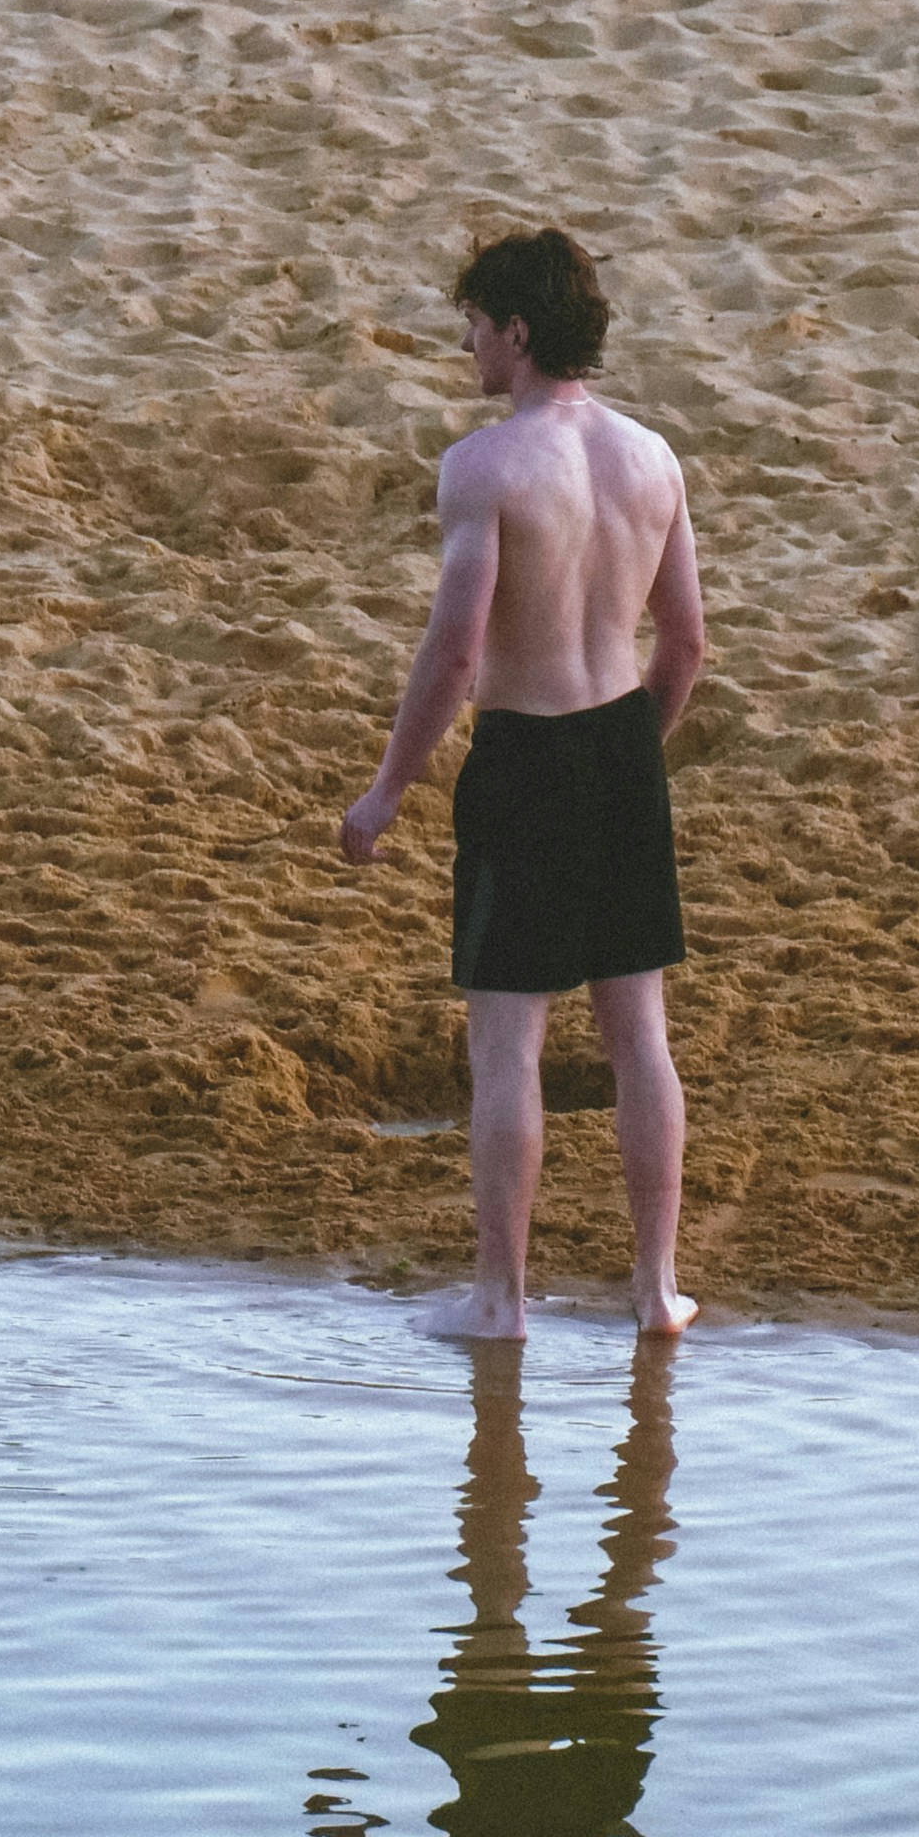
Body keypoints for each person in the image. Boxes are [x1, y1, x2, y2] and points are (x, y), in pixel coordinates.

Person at [339, 229, 706, 1340]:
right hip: (620, 753)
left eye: (476, 323)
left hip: (527, 758)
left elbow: (453, 655)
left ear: (519, 330)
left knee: (507, 1042)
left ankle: (499, 1300)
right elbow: (683, 645)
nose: (464, 344)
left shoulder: (485, 468)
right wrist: (629, 751)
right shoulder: (652, 458)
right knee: (638, 1032)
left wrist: (387, 789)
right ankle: (656, 1291)